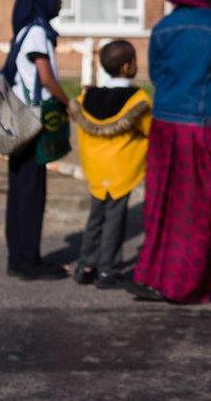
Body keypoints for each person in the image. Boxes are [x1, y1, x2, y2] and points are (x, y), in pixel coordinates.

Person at [129, 0, 211, 303]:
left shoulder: (163, 27)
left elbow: (156, 74)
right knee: (198, 208)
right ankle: (184, 285)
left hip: (165, 126)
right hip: (202, 129)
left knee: (162, 202)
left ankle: (152, 275)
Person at [69, 40, 151, 289]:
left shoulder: (86, 98)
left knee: (96, 217)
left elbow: (84, 134)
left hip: (96, 169)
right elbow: (150, 130)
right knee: (115, 219)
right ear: (127, 67)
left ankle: (86, 266)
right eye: (135, 60)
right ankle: (108, 270)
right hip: (122, 169)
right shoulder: (137, 99)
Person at [5, 0, 70, 280]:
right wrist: (69, 102)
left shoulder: (24, 31)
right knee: (31, 192)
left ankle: (18, 257)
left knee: (19, 190)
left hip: (19, 119)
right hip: (33, 122)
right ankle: (28, 260)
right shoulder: (37, 34)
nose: (60, 2)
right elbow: (45, 78)